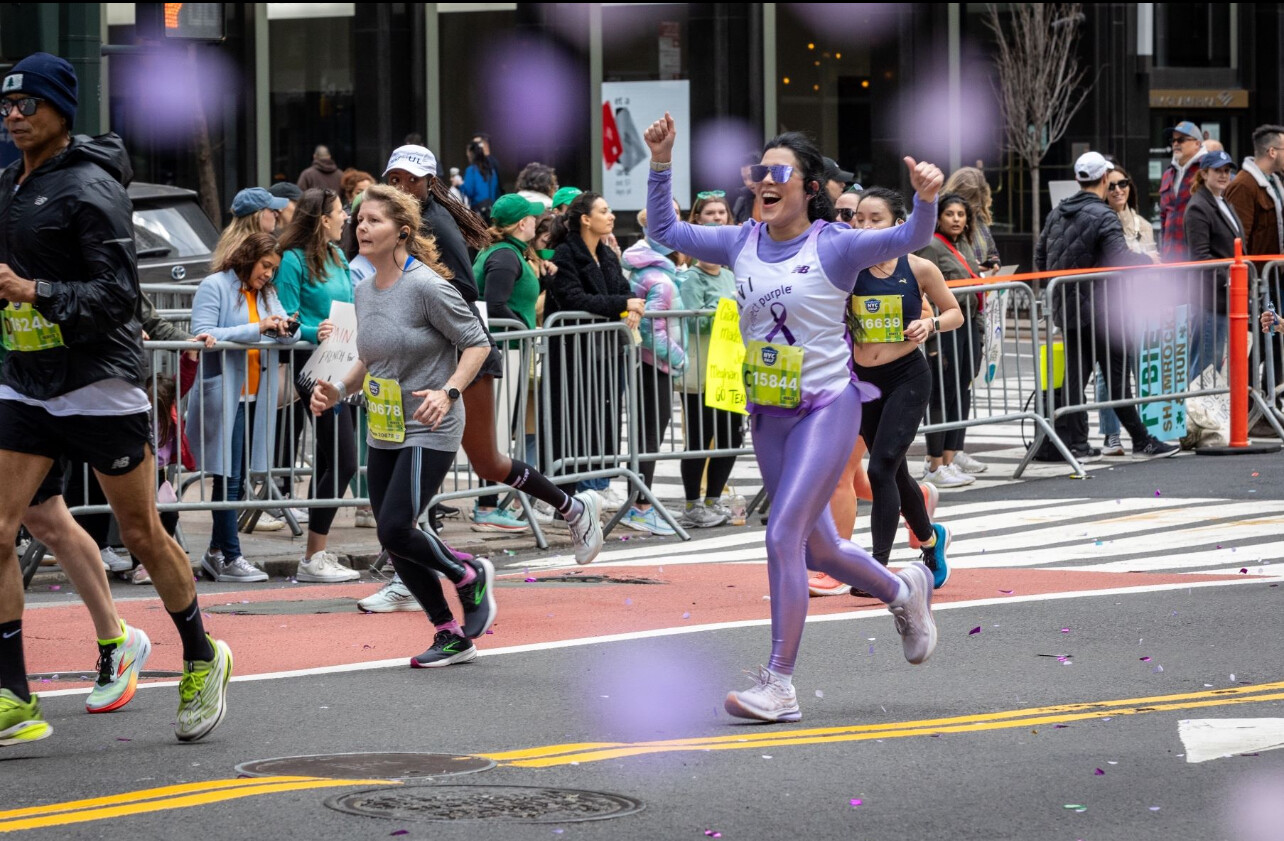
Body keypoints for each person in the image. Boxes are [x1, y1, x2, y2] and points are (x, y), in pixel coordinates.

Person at [644, 113, 942, 723]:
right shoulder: (740, 241)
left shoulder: (836, 244)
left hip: (828, 405)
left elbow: (911, 236)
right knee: (819, 549)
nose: (764, 181)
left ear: (808, 187)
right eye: (758, 172)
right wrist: (661, 162)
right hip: (770, 412)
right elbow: (663, 228)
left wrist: (925, 199)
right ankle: (903, 589)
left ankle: (779, 684)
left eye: (778, 173)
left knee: (782, 534)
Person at [0, 53, 231, 744]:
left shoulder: (92, 187)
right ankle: (13, 694)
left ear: (60, 111)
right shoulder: (9, 184)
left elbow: (117, 297)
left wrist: (33, 291)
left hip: (99, 382)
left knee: (141, 534)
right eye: (6, 105)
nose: (13, 116)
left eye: (27, 104)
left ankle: (202, 655)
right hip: (28, 380)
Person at [360, 148, 604, 612]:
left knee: (485, 462)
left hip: (459, 357)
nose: (402, 184)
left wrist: (418, 310)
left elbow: (464, 293)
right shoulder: (392, 219)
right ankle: (409, 570)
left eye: (411, 178)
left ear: (430, 182)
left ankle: (573, 508)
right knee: (421, 475)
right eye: (394, 176)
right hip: (421, 362)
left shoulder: (434, 222)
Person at [311, 185, 496, 667]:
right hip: (386, 426)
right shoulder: (363, 289)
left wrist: (448, 391)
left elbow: (478, 343)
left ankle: (468, 574)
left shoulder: (427, 287)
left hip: (430, 425)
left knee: (396, 527)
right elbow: (369, 360)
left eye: (374, 220)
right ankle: (449, 633)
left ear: (403, 232)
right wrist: (337, 389)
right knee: (393, 537)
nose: (361, 227)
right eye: (359, 219)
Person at [815, 188, 960, 596]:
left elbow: (954, 312)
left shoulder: (919, 268)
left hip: (907, 377)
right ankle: (931, 541)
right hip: (863, 382)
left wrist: (929, 325)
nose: (863, 226)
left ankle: (876, 569)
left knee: (879, 470)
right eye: (858, 218)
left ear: (898, 224)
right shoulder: (847, 270)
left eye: (874, 219)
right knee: (894, 471)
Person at [1035, 151, 1179, 462]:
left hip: (1068, 308)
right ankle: (1141, 440)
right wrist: (1148, 260)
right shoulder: (1103, 215)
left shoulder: (1057, 212)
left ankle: (1078, 443)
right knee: (1116, 378)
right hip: (1104, 311)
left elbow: (1040, 256)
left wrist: (1057, 290)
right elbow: (1121, 259)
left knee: (1076, 379)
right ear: (1103, 178)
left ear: (1078, 179)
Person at [187, 232, 299, 582]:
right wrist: (258, 327)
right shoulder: (215, 285)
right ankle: (230, 556)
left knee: (236, 478)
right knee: (229, 477)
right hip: (227, 394)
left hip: (257, 395)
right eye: (265, 265)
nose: (268, 273)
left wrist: (286, 328)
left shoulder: (267, 293)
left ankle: (217, 553)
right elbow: (203, 332)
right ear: (248, 257)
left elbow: (288, 335)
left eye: (273, 268)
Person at [275, 188, 362, 582]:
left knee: (330, 460)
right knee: (344, 460)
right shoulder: (292, 260)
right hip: (312, 366)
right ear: (323, 219)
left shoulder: (338, 255)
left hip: (342, 363)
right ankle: (313, 557)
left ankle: (316, 554)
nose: (347, 218)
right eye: (341, 212)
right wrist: (315, 330)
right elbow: (285, 319)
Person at [545, 192, 645, 508]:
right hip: (573, 354)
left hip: (606, 351)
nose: (611, 215)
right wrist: (623, 304)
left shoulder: (607, 254)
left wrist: (632, 306)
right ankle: (568, 494)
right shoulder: (565, 254)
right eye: (604, 211)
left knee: (605, 416)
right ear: (586, 219)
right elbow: (574, 299)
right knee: (574, 420)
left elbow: (623, 290)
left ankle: (599, 482)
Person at [470, 193, 546, 532]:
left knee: (500, 430)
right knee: (496, 431)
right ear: (521, 223)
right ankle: (487, 506)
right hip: (504, 352)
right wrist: (523, 329)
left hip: (509, 351)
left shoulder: (509, 252)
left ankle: (491, 503)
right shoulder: (504, 255)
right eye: (532, 217)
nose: (536, 221)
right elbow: (495, 304)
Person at [621, 204, 688, 536]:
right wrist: (679, 359)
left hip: (646, 362)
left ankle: (641, 502)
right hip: (653, 363)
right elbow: (652, 331)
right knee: (649, 435)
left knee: (647, 434)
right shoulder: (657, 275)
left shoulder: (651, 267)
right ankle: (640, 506)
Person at [675, 192, 740, 529]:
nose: (717, 217)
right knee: (699, 439)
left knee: (731, 438)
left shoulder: (730, 275)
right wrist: (725, 311)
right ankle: (692, 504)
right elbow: (690, 320)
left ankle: (713, 499)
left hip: (729, 371)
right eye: (710, 213)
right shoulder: (690, 278)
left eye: (721, 212)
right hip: (700, 372)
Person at [916, 195, 985, 487]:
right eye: (949, 214)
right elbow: (925, 295)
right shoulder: (931, 246)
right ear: (938, 218)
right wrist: (933, 343)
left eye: (961, 214)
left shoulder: (964, 245)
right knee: (941, 394)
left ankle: (949, 458)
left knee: (960, 390)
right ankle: (934, 464)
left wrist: (979, 330)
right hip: (944, 327)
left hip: (967, 324)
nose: (956, 219)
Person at [1095, 164, 1159, 455]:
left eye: (1123, 184)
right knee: (1109, 373)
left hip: (1140, 302)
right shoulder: (1101, 222)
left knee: (1139, 368)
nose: (1118, 190)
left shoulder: (1142, 224)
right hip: (1111, 306)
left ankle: (1141, 432)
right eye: (1111, 185)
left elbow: (1153, 263)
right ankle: (1111, 434)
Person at [1184, 149, 1244, 383]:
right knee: (1205, 368)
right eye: (1217, 170)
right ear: (1204, 173)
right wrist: (1230, 279)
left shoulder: (1222, 201)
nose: (1223, 175)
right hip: (1209, 300)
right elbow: (1201, 257)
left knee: (1214, 365)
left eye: (1227, 171)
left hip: (1225, 298)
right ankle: (1197, 407)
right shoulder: (1199, 206)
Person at [1159, 121, 1207, 261]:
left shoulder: (1207, 170)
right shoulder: (1168, 173)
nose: (1175, 144)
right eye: (1173, 140)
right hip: (1170, 257)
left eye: (1181, 140)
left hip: (1196, 257)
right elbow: (1164, 215)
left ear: (1197, 144)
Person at [212, 187, 289, 269]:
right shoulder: (249, 250)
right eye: (272, 210)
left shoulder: (232, 243)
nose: (276, 214)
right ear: (257, 216)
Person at [462, 138, 500, 218]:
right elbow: (496, 189)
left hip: (477, 212)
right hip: (492, 211)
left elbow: (469, 192)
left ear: (471, 154)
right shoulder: (492, 170)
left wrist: (459, 185)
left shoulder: (471, 170)